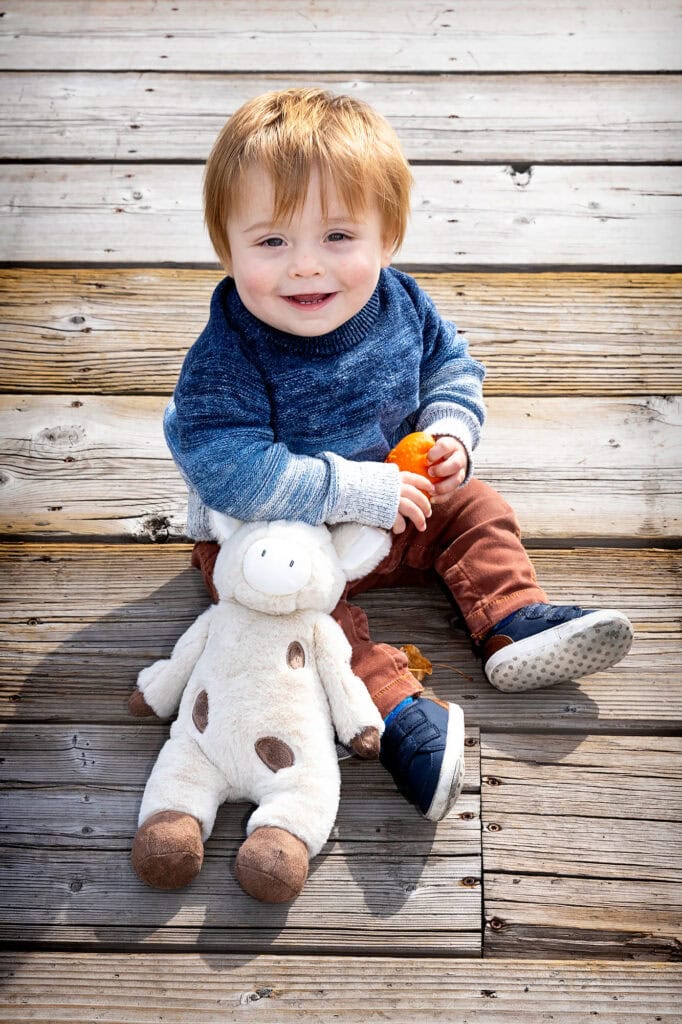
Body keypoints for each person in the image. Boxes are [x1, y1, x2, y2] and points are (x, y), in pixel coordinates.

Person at [163, 87, 633, 823]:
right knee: (286, 615)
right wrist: (355, 491)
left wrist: (449, 432)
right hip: (276, 536)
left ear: (389, 237)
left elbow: (452, 365)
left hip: (398, 500)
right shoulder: (228, 354)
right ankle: (398, 715)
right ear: (226, 247)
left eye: (339, 238)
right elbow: (230, 466)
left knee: (478, 507)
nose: (306, 269)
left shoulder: (401, 303)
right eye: (271, 242)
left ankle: (511, 616)